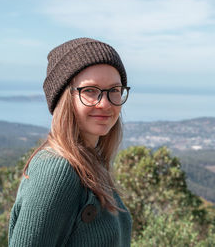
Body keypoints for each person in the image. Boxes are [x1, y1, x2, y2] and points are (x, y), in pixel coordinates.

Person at [8, 37, 132, 246]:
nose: (105, 103)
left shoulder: (92, 162)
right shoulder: (57, 170)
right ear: (65, 98)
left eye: (114, 90)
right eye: (90, 91)